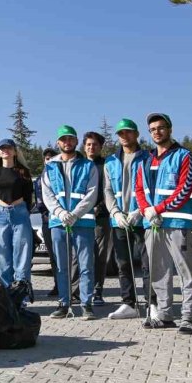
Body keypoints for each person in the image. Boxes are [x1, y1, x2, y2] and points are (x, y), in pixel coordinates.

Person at [135, 113, 192, 334]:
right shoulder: (145, 160)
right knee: (158, 271)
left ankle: (188, 316)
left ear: (170, 129)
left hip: (176, 223)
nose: (157, 132)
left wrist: (158, 209)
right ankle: (164, 315)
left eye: (161, 127)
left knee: (185, 271)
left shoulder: (185, 156)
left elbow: (184, 190)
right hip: (152, 224)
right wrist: (146, 210)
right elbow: (139, 190)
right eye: (152, 129)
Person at [42, 125, 99, 320]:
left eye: (70, 139)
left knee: (85, 265)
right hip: (58, 223)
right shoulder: (49, 166)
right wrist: (59, 212)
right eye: (63, 139)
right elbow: (47, 194)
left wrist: (74, 214)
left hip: (83, 222)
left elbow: (92, 194)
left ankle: (86, 304)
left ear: (76, 141)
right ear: (58, 143)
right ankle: (64, 303)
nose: (67, 142)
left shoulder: (87, 166)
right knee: (61, 266)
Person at [104, 118, 152, 320]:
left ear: (136, 134)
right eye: (121, 133)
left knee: (147, 263)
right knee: (123, 263)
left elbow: (152, 188)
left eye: (128, 132)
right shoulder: (110, 161)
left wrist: (140, 211)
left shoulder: (148, 158)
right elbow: (107, 190)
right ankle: (128, 303)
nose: (125, 136)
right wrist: (114, 212)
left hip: (141, 220)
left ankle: (152, 303)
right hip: (119, 221)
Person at [0, 139, 35, 295]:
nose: (5, 151)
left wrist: (22, 211)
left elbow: (29, 197)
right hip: (1, 214)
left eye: (8, 148)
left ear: (15, 151)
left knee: (21, 256)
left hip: (20, 213)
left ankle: (20, 296)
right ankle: (5, 296)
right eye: (2, 148)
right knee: (2, 257)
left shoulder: (23, 171)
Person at [83, 131, 116, 306]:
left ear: (100, 147)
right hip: (80, 218)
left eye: (95, 144)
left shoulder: (106, 165)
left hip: (100, 217)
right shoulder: (78, 165)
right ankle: (81, 291)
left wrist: (99, 208)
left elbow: (109, 190)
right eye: (88, 144)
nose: (91, 147)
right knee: (82, 256)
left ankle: (97, 290)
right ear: (84, 146)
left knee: (99, 256)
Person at [33, 148, 59, 295]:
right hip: (47, 220)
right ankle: (57, 285)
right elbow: (39, 203)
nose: (49, 160)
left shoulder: (61, 176)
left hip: (62, 220)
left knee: (67, 257)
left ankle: (72, 286)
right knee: (53, 257)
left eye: (52, 158)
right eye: (47, 158)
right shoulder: (39, 180)